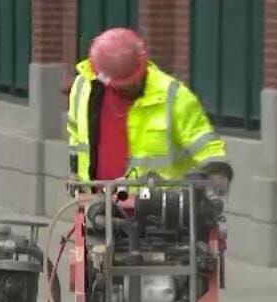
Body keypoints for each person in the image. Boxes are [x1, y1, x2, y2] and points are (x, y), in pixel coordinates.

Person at [66, 28, 233, 196]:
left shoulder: (172, 96)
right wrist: (74, 170)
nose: (130, 87)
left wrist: (216, 171)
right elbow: (76, 133)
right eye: (123, 86)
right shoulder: (84, 88)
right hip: (96, 201)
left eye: (133, 82)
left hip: (158, 207)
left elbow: (202, 140)